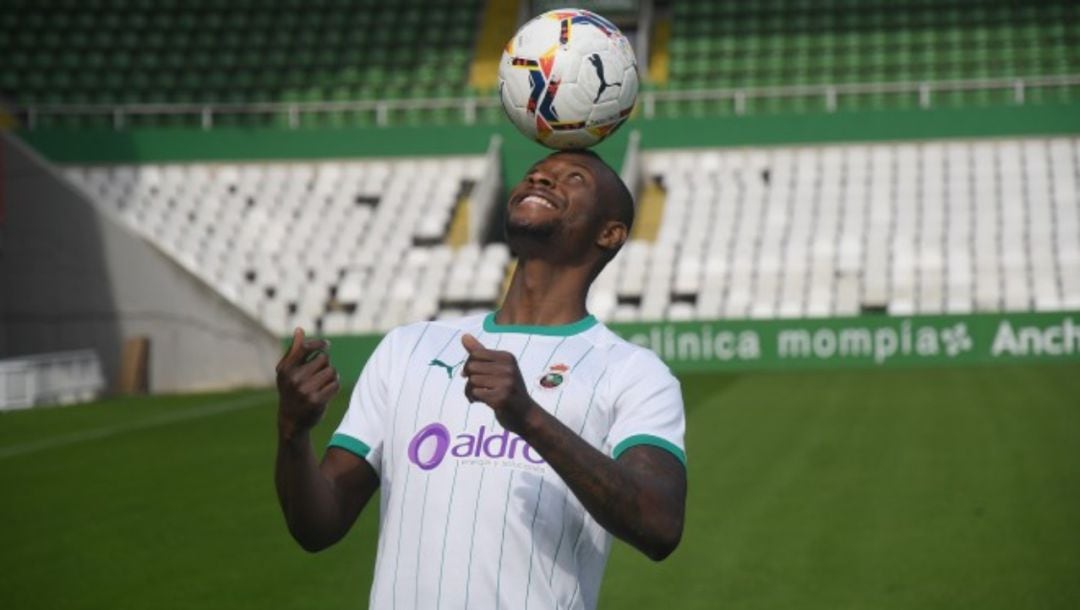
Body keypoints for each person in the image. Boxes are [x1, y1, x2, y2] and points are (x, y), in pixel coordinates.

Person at [275, 149, 687, 610]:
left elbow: (660, 524)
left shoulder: (632, 370)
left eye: (573, 178)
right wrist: (293, 433)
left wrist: (528, 418)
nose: (543, 181)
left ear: (610, 233)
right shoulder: (408, 347)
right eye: (536, 174)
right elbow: (318, 526)